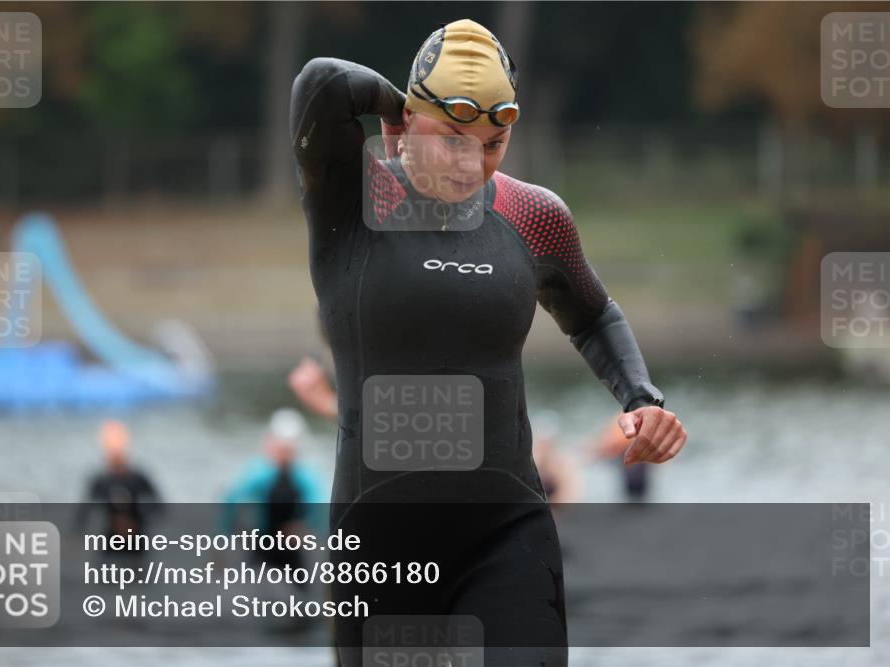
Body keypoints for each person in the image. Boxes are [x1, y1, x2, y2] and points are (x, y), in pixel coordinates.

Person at [290, 18, 687, 666]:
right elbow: (321, 85)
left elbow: (592, 314)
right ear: (412, 117)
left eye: (494, 142)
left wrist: (639, 394)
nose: (471, 161)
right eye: (451, 136)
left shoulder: (534, 216)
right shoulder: (353, 198)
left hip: (506, 533)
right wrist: (396, 107)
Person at [218, 408, 325, 573]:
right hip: (261, 545)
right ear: (269, 443)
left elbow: (320, 506)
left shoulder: (304, 475)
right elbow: (230, 502)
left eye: (289, 449)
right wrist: (222, 544)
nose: (284, 454)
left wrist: (303, 527)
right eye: (281, 448)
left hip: (292, 550)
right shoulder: (260, 472)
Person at [80, 419, 162, 560]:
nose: (115, 456)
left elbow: (158, 506)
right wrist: (75, 536)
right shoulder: (101, 481)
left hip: (136, 539)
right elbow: (84, 512)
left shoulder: (138, 478)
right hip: (111, 540)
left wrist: (137, 520)